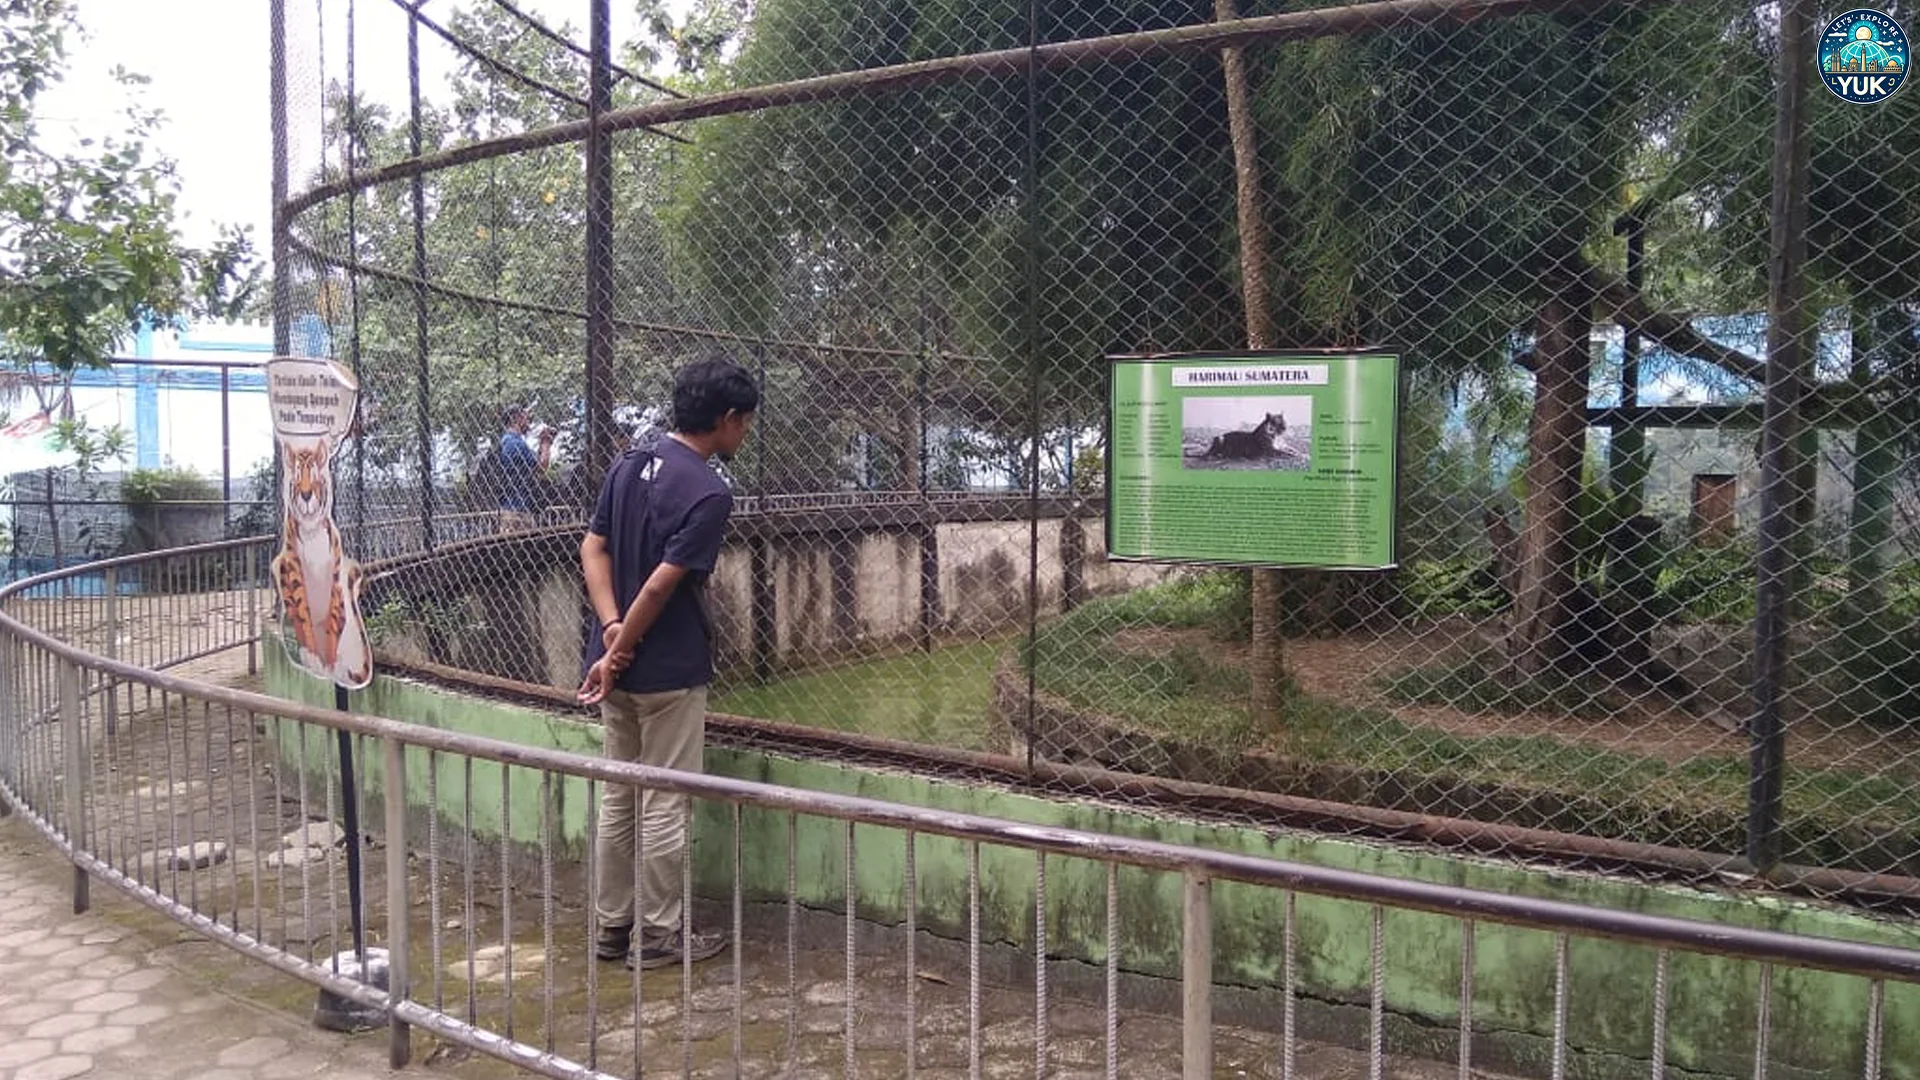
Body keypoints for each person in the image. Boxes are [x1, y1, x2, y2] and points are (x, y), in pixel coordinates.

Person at [577, 358, 758, 970]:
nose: (746, 434)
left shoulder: (630, 462)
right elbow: (659, 588)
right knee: (664, 800)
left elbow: (593, 547)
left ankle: (610, 926)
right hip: (667, 668)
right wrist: (625, 641)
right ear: (728, 419)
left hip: (612, 669)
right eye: (745, 423)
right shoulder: (708, 492)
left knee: (619, 793)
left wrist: (609, 639)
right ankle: (657, 937)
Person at [498, 405, 554, 531]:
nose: (529, 421)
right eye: (526, 417)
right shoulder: (514, 443)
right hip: (517, 512)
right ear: (516, 418)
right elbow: (542, 466)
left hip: (516, 508)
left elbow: (535, 466)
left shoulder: (512, 441)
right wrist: (546, 442)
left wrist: (542, 443)